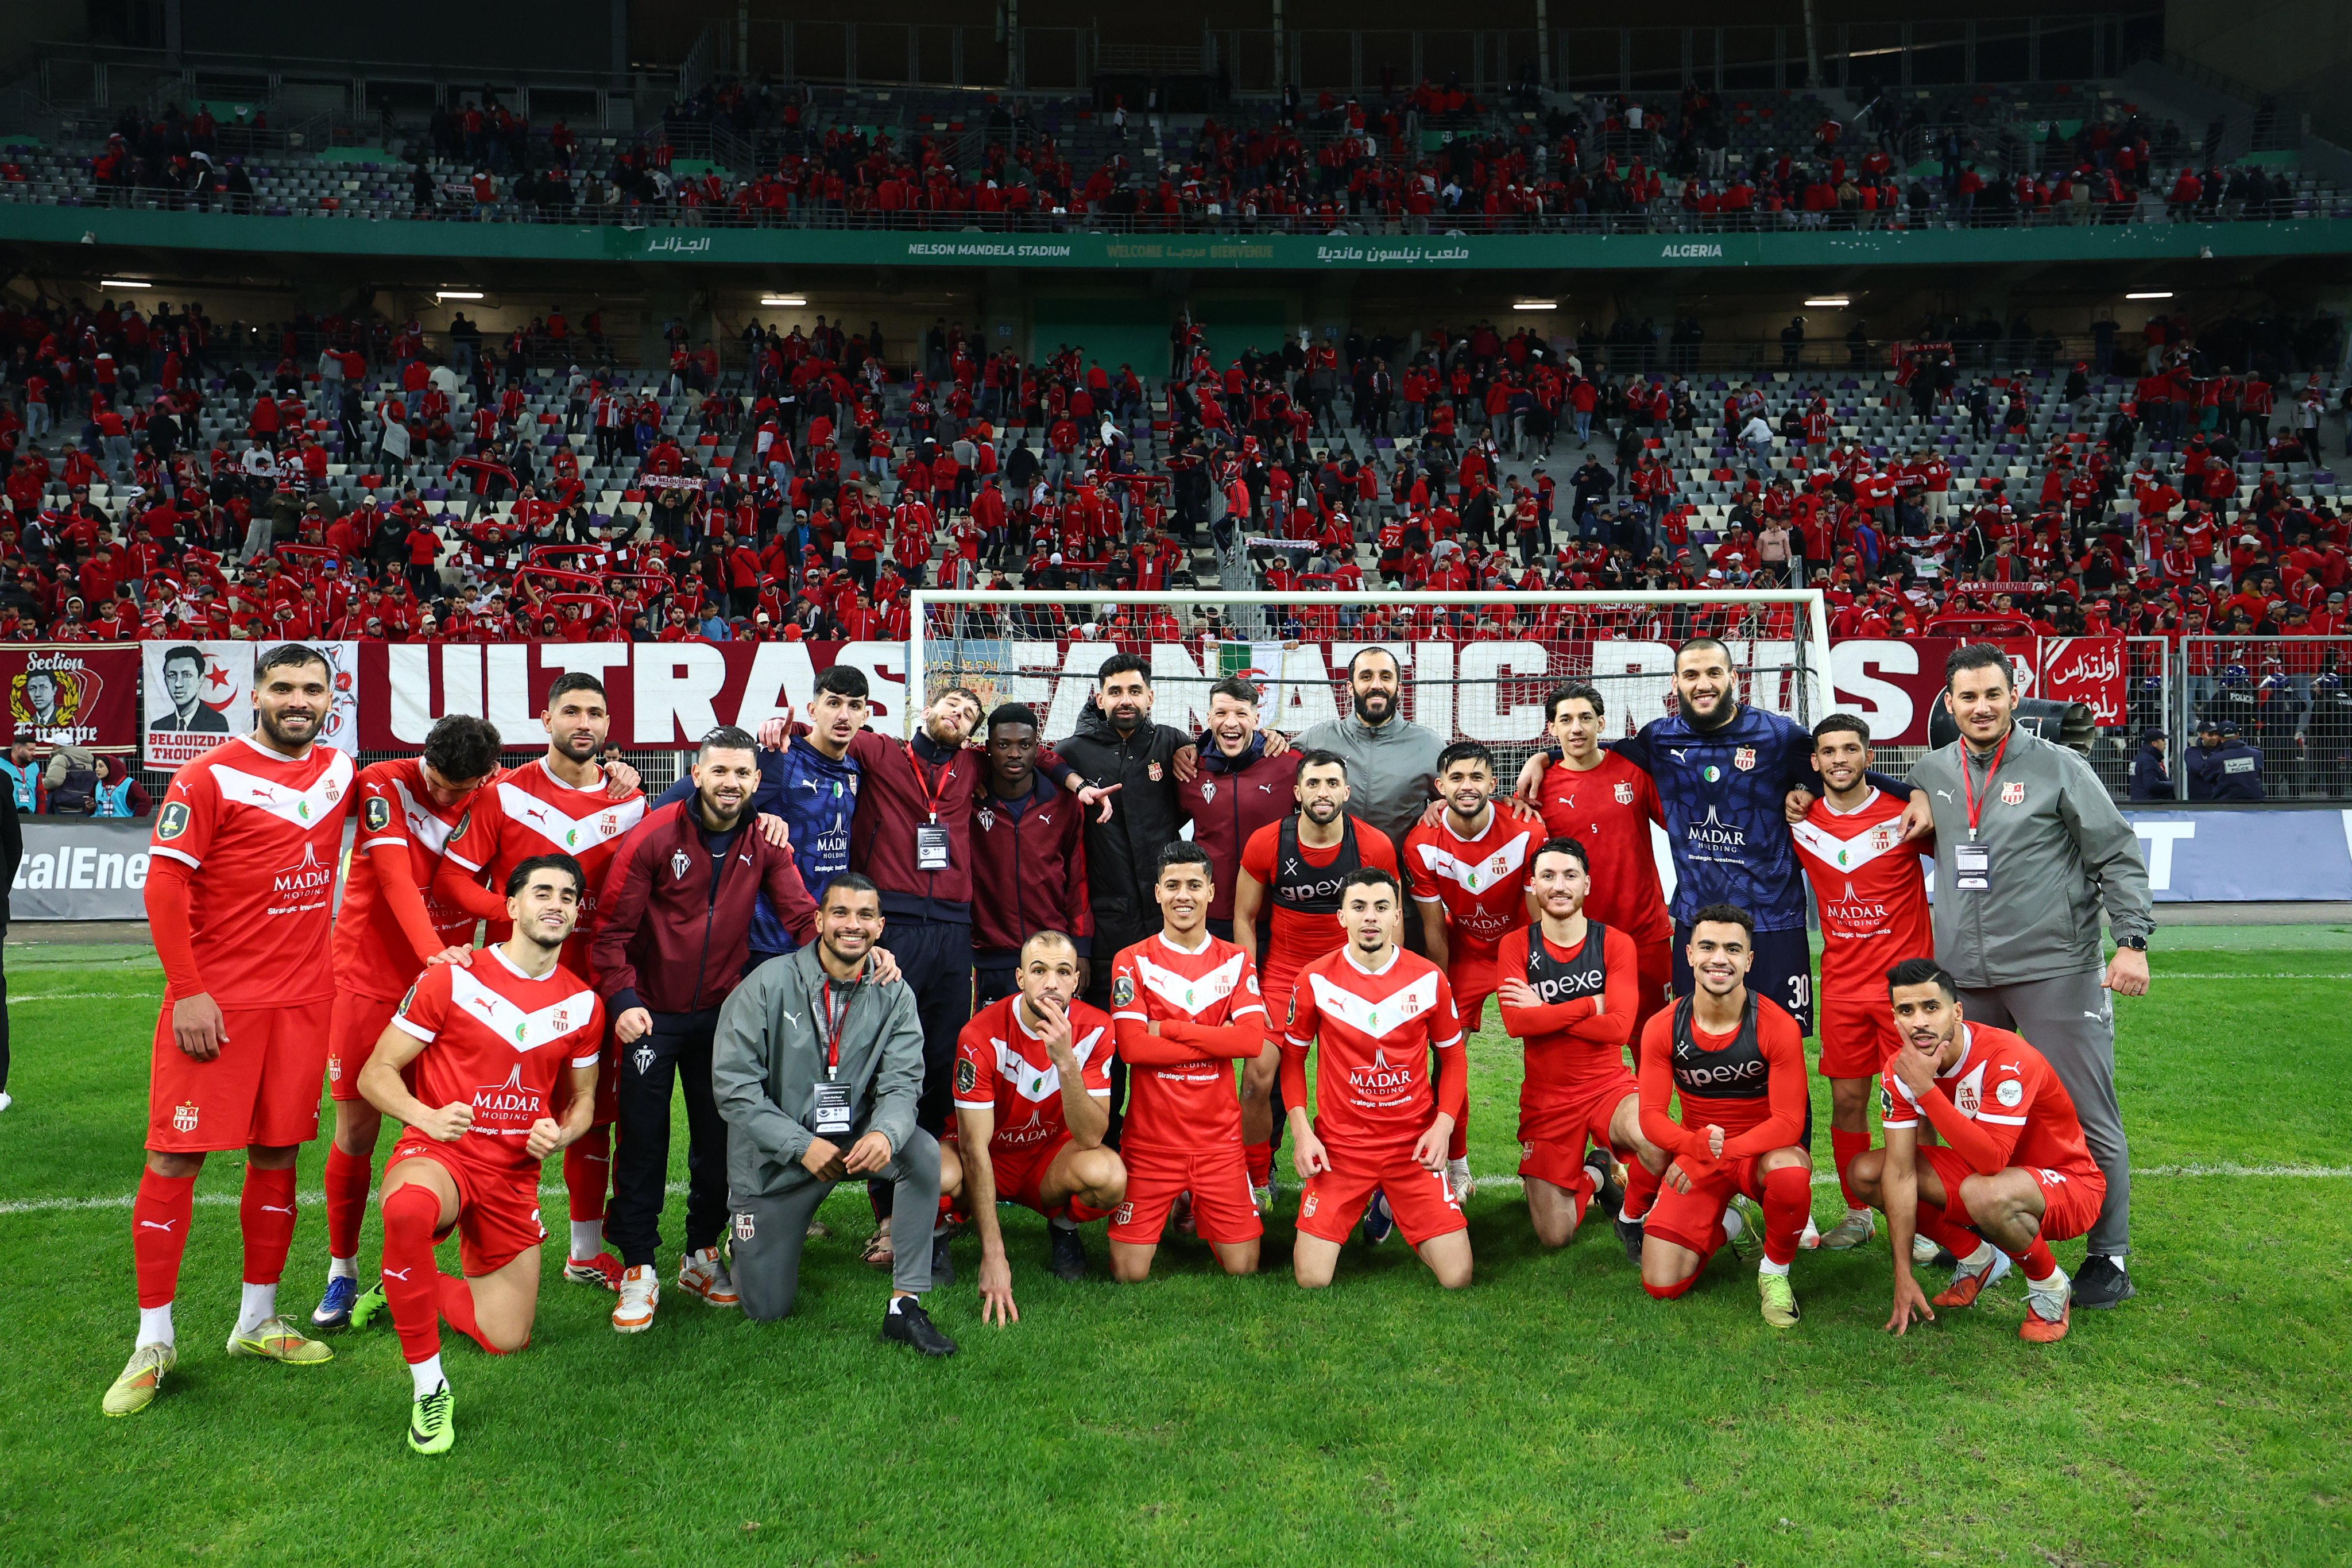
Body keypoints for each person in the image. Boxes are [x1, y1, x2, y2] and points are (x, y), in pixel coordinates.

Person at [107, 645, 351, 1418]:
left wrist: (611, 773)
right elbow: (165, 880)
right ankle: (153, 1339)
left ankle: (257, 1318)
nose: (297, 699)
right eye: (283, 687)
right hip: (217, 1005)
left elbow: (447, 778)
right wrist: (187, 991)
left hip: (303, 1004)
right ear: (254, 695)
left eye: (312, 688)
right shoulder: (208, 774)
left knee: (278, 1153)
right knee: (174, 1158)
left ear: (330, 698)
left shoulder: (343, 772)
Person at [1904, 643, 2152, 1310]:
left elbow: (2116, 854)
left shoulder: (2058, 766)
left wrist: (2129, 942)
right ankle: (1982, 1245)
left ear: (2014, 696)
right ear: (1948, 704)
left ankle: (2109, 1254)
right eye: (1966, 697)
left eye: (1992, 694)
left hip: (2054, 967)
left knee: (2085, 1107)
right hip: (1967, 978)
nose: (1980, 707)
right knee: (1964, 1114)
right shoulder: (1932, 769)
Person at [1516, 636, 1922, 1039]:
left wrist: (1912, 793)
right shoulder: (1658, 738)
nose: (1703, 683)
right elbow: (1590, 751)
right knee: (1698, 1048)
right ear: (1675, 684)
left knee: (1779, 1048)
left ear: (1733, 678)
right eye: (1691, 675)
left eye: (1713, 672)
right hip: (1698, 923)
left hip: (1771, 921)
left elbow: (1843, 770)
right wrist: (1543, 757)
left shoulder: (1776, 734)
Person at [351, 854, 604, 1454]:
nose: (556, 903)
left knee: (505, 1336)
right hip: (440, 1152)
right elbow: (375, 1073)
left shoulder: (584, 1005)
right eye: (542, 891)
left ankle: (403, 1278)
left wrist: (562, 1133)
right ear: (511, 906)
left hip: (512, 1179)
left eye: (568, 896)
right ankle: (430, 1389)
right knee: (408, 1211)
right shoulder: (453, 977)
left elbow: (585, 1102)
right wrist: (426, 1117)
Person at [590, 726, 829, 1334]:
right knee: (643, 1141)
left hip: (723, 1015)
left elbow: (801, 916)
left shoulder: (766, 840)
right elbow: (611, 935)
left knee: (720, 1139)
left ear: (756, 780)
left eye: (743, 774)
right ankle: (638, 1264)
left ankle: (700, 1252)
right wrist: (622, 1000)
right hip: (650, 1014)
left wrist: (847, 956)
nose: (731, 784)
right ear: (695, 774)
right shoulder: (653, 834)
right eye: (719, 771)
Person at [435, 672, 645, 1291]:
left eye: (597, 713)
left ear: (608, 727)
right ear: (545, 719)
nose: (585, 722)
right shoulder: (503, 793)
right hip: (511, 981)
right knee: (496, 1107)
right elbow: (454, 879)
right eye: (572, 711)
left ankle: (583, 1251)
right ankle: (479, 1239)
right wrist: (520, 917)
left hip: (597, 980)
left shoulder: (631, 800)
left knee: (593, 1113)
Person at [709, 873, 958, 1356]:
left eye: (865, 915)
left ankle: (905, 1306)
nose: (853, 925)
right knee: (766, 1307)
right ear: (819, 920)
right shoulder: (767, 984)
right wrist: (801, 1145)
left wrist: (885, 1133)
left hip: (852, 1140)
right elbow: (734, 1088)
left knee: (923, 1153)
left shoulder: (895, 993)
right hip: (777, 1160)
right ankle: (746, 1246)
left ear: (881, 926)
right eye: (841, 913)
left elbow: (903, 1083)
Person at [311, 714, 503, 1330]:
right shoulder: (383, 782)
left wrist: (615, 772)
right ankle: (342, 1270)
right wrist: (431, 956)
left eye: (462, 788)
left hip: (445, 982)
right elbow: (396, 881)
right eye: (441, 784)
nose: (449, 798)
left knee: (447, 1127)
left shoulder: (491, 790)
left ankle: (413, 1264)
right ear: (423, 758)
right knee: (359, 1129)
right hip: (368, 980)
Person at [1849, 959, 2107, 1345]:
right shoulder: (1899, 1069)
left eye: (1930, 1007)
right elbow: (1900, 1173)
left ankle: (2049, 1284)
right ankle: (1977, 1256)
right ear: (1895, 1019)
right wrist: (1903, 1271)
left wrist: (1926, 1090)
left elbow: (1992, 1161)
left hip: (2069, 1183)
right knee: (1867, 1172)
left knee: (1985, 1191)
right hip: (1988, 1179)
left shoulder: (2008, 1056)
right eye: (1906, 1010)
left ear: (1956, 1011)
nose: (1919, 1021)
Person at [1281, 867, 1469, 1288]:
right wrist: (1302, 1132)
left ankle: (1390, 1206)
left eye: (1382, 907)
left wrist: (1442, 1127)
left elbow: (1454, 1060)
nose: (1371, 917)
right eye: (1360, 907)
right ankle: (1375, 1205)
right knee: (1312, 1278)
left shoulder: (1429, 979)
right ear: (1342, 916)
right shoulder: (1314, 979)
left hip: (1412, 1148)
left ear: (1398, 915)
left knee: (1458, 1276)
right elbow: (1292, 1060)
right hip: (1341, 1149)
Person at [1789, 714, 1936, 1253]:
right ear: (1815, 762)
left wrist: (1918, 791)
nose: (1840, 760)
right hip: (1845, 988)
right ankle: (1858, 1213)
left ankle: (1924, 1216)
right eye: (1829, 751)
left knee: (1918, 1102)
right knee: (1848, 1102)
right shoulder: (1800, 822)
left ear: (1868, 756)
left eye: (1850, 749)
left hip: (1908, 993)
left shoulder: (1905, 814)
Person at [1231, 751, 1400, 1214]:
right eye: (1313, 783)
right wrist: (1249, 988)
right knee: (1256, 1080)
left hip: (1348, 978)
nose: (1322, 792)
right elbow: (1244, 918)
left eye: (1332, 783)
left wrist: (1386, 983)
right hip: (1284, 976)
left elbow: (1391, 919)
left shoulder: (1374, 846)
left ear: (1346, 792)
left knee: (1362, 1082)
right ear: (1297, 791)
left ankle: (1367, 1176)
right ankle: (1256, 1174)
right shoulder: (1268, 842)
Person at [1632, 905, 1813, 1329]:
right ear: (1690, 954)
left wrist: (1721, 1151)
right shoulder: (1663, 1026)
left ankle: (1775, 1272)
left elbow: (1789, 1123)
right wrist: (1690, 1146)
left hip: (1760, 1153)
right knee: (1661, 1283)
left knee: (1789, 1173)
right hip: (1700, 1154)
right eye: (1709, 947)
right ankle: (1733, 1223)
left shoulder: (1776, 1025)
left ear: (1749, 960)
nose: (1720, 958)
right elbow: (1651, 1117)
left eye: (1733, 949)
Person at [1494, 837, 1666, 1256]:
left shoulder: (1615, 943)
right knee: (1556, 1234)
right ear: (1532, 885)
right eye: (1548, 876)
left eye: (1570, 875)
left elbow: (1620, 1029)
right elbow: (1518, 1023)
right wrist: (1592, 1003)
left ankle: (1643, 1217)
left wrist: (1546, 1010)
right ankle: (1598, 1173)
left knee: (1658, 1141)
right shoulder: (1516, 945)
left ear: (1586, 884)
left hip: (1608, 1085)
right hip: (1547, 1101)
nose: (1559, 884)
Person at [1107, 843, 1269, 1282]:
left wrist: (1172, 1029)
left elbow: (1252, 1041)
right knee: (1128, 1273)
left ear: (1212, 891)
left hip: (1219, 1144)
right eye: (1174, 885)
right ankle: (1181, 1195)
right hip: (1151, 1145)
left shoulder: (1236, 960)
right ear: (1158, 892)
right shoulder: (1132, 959)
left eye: (1195, 885)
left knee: (1244, 1267)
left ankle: (1192, 1198)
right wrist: (1219, 1040)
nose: (1184, 895)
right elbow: (1133, 1049)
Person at [943, 931, 1126, 1315]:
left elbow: (1092, 1135)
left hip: (1047, 1160)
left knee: (1110, 1174)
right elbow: (974, 1149)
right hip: (987, 1154)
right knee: (935, 1173)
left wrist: (1065, 1061)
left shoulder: (1097, 1028)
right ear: (1020, 977)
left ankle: (1063, 1227)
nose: (1051, 983)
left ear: (1077, 980)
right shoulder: (979, 1034)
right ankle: (938, 1233)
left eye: (1063, 971)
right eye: (1039, 970)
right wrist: (994, 1255)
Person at [1402, 740, 1544, 1201]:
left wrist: (1542, 975)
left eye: (1477, 777)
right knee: (1448, 1060)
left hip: (1519, 951)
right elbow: (1432, 929)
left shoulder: (1525, 829)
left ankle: (1544, 1162)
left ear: (1493, 784)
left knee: (1550, 1057)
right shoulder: (1421, 842)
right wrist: (1441, 987)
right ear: (1440, 787)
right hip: (1463, 954)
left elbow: (1537, 917)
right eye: (1457, 778)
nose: (1468, 786)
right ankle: (1458, 1167)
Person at [654, 663, 867, 966]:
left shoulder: (853, 770)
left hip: (822, 938)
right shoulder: (779, 756)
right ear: (813, 710)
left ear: (865, 716)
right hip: (766, 940)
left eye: (854, 706)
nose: (843, 715)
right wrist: (753, 818)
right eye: (833, 703)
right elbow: (674, 800)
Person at [1051, 653, 1198, 1019]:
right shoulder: (1072, 751)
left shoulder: (1172, 743)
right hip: (1106, 920)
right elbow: (1032, 763)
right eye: (1115, 692)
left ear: (1151, 697)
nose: (1126, 700)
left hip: (1166, 914)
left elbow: (1227, 749)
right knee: (1109, 1033)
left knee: (1170, 1028)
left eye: (1135, 690)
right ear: (1099, 699)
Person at [1530, 683, 1673, 1037]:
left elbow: (1683, 827)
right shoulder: (1539, 788)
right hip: (1578, 936)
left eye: (1585, 718)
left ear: (1602, 724)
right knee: (1583, 1039)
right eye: (1566, 720)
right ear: (1552, 728)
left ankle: (1653, 1097)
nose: (1576, 728)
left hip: (1645, 930)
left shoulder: (1633, 769)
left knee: (1653, 1035)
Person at [969, 703, 1092, 1006]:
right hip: (992, 953)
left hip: (1052, 949)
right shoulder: (968, 800)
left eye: (1024, 745)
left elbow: (1077, 879)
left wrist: (1082, 948)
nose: (1014, 754)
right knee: (997, 1047)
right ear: (988, 749)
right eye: (1003, 745)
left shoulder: (1063, 802)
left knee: (1049, 1044)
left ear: (1037, 749)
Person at [1174, 674, 1299, 940]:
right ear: (1209, 718)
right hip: (1209, 914)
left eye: (1241, 714)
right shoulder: (1188, 770)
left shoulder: (1289, 765)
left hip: (1276, 913)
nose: (1231, 723)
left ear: (1256, 719)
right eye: (1221, 713)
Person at [1293, 646, 1446, 851]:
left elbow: (1464, 799)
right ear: (1350, 687)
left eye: (1386, 677)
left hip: (1397, 874)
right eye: (1366, 677)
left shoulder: (1429, 745)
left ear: (1399, 687)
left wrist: (1445, 807)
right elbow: (1272, 773)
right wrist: (1270, 740)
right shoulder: (1316, 739)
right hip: (1328, 877)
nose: (1376, 685)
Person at [149, 645, 229, 734]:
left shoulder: (217, 723)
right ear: (165, 680)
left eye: (187, 675)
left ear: (201, 679)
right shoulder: (159, 727)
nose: (178, 684)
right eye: (172, 676)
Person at [2187, 718, 2265, 802]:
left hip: (2224, 803)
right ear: (2238, 735)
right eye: (2210, 734)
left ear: (2220, 737)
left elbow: (2207, 774)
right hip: (2254, 803)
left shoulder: (2217, 758)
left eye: (2216, 734)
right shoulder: (2257, 754)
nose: (2214, 738)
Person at [2129, 729, 2171, 801]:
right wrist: (2171, 785)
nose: (2165, 743)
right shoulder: (2149, 760)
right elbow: (2152, 785)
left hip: (2138, 802)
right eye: (2163, 740)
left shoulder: (2137, 759)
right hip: (2150, 805)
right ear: (2154, 743)